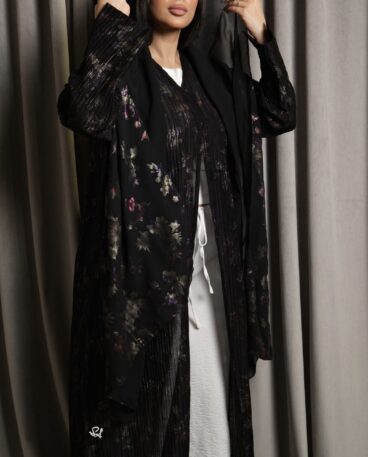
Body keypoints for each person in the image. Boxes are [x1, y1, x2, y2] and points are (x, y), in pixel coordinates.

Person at [57, 0, 296, 456]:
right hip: (147, 282)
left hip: (213, 275)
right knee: (149, 411)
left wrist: (262, 35)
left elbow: (280, 112)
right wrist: (109, 28)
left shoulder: (209, 77)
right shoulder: (124, 74)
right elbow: (81, 112)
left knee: (214, 414)